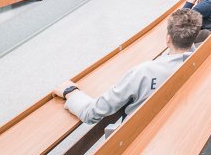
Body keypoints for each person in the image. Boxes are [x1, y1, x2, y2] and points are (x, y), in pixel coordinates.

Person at [54, 8, 202, 124]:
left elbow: (92, 113)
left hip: (144, 133)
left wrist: (71, 92)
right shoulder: (201, 60)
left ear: (168, 39)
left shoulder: (143, 72)